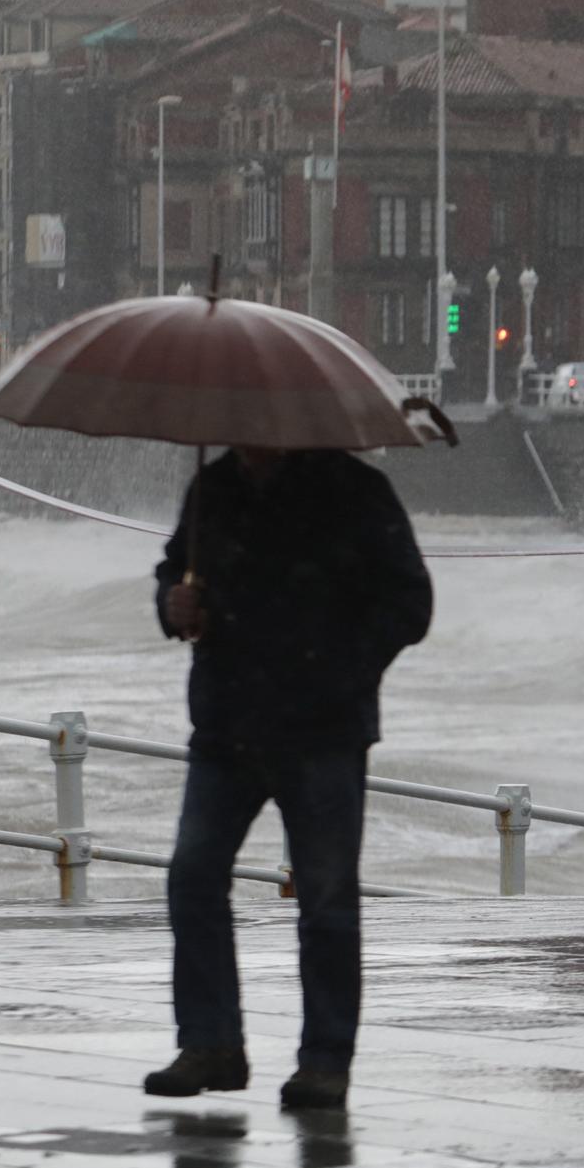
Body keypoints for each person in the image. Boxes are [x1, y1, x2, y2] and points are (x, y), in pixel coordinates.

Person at [144, 445, 432, 1110]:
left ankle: (325, 1061)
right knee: (193, 874)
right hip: (226, 724)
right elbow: (171, 569)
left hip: (322, 731)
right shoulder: (212, 486)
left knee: (326, 900)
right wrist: (173, 603)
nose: (247, 436)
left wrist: (339, 671)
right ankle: (210, 1043)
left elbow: (409, 603)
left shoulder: (355, 489)